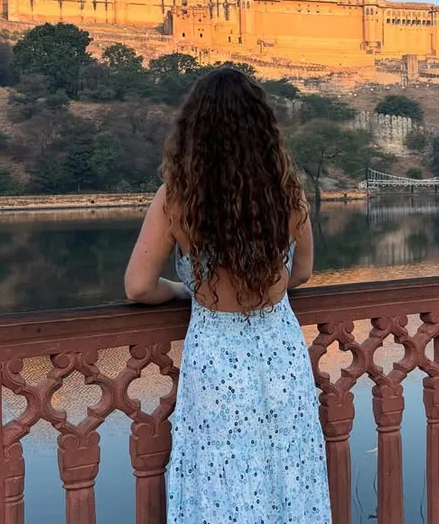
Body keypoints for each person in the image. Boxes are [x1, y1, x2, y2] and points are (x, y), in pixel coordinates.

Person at [124, 66, 331, 523]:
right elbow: (303, 272)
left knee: (224, 480)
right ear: (263, 128)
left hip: (216, 358)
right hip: (280, 353)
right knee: (289, 473)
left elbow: (138, 286)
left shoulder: (176, 197)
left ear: (193, 132)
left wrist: (185, 289)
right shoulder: (288, 194)